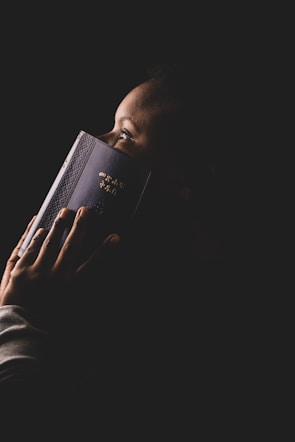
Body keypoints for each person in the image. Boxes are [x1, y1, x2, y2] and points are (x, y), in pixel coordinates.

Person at [0, 62, 239, 439]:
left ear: (189, 180)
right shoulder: (109, 282)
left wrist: (18, 316)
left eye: (125, 134)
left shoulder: (192, 322)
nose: (98, 141)